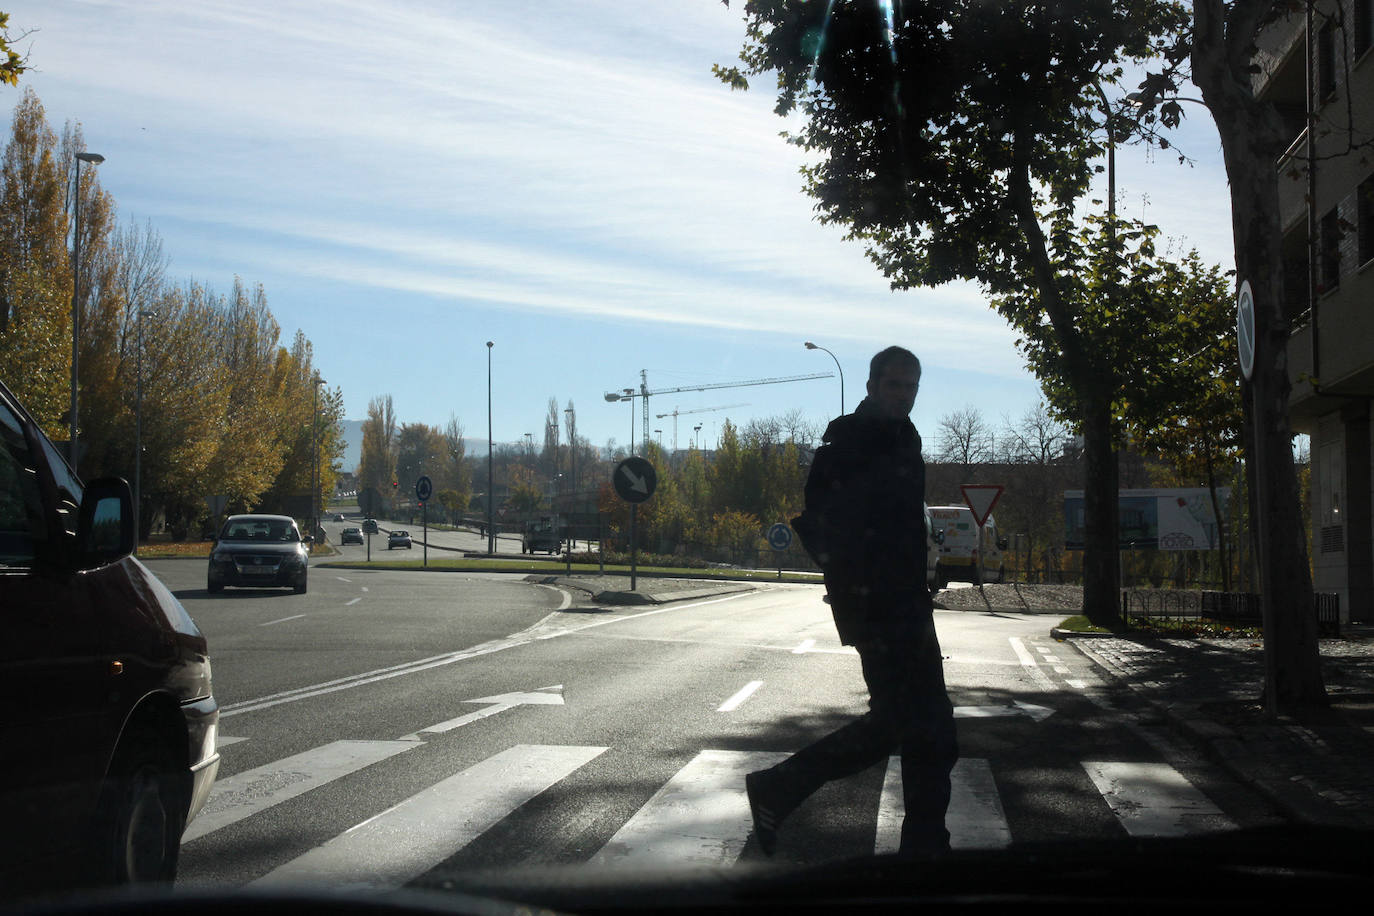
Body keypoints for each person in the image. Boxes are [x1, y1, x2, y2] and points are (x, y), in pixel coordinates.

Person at [746, 345, 958, 858]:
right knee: (905, 723)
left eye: (911, 387)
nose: (903, 396)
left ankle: (926, 845)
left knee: (928, 729)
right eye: (894, 385)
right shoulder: (846, 441)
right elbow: (821, 524)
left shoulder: (907, 438)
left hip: (908, 601)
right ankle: (784, 785)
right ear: (871, 385)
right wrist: (857, 585)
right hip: (874, 605)